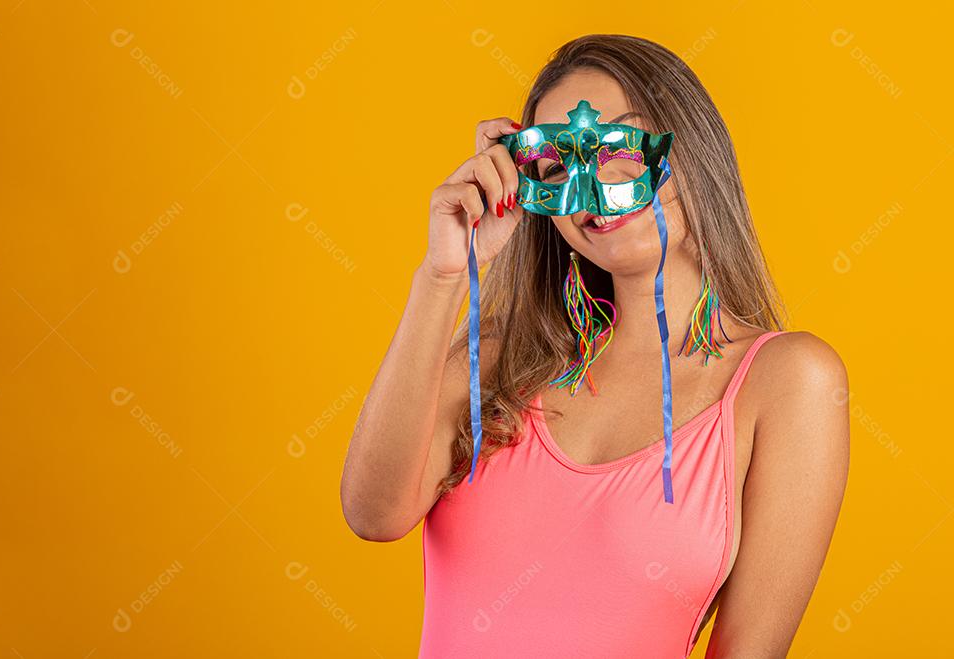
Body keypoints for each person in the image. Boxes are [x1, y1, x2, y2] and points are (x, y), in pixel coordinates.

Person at [341, 34, 849, 658]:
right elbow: (373, 514)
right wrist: (445, 275)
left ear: (693, 148)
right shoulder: (500, 359)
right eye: (556, 168)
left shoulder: (788, 381)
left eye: (619, 146)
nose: (591, 187)